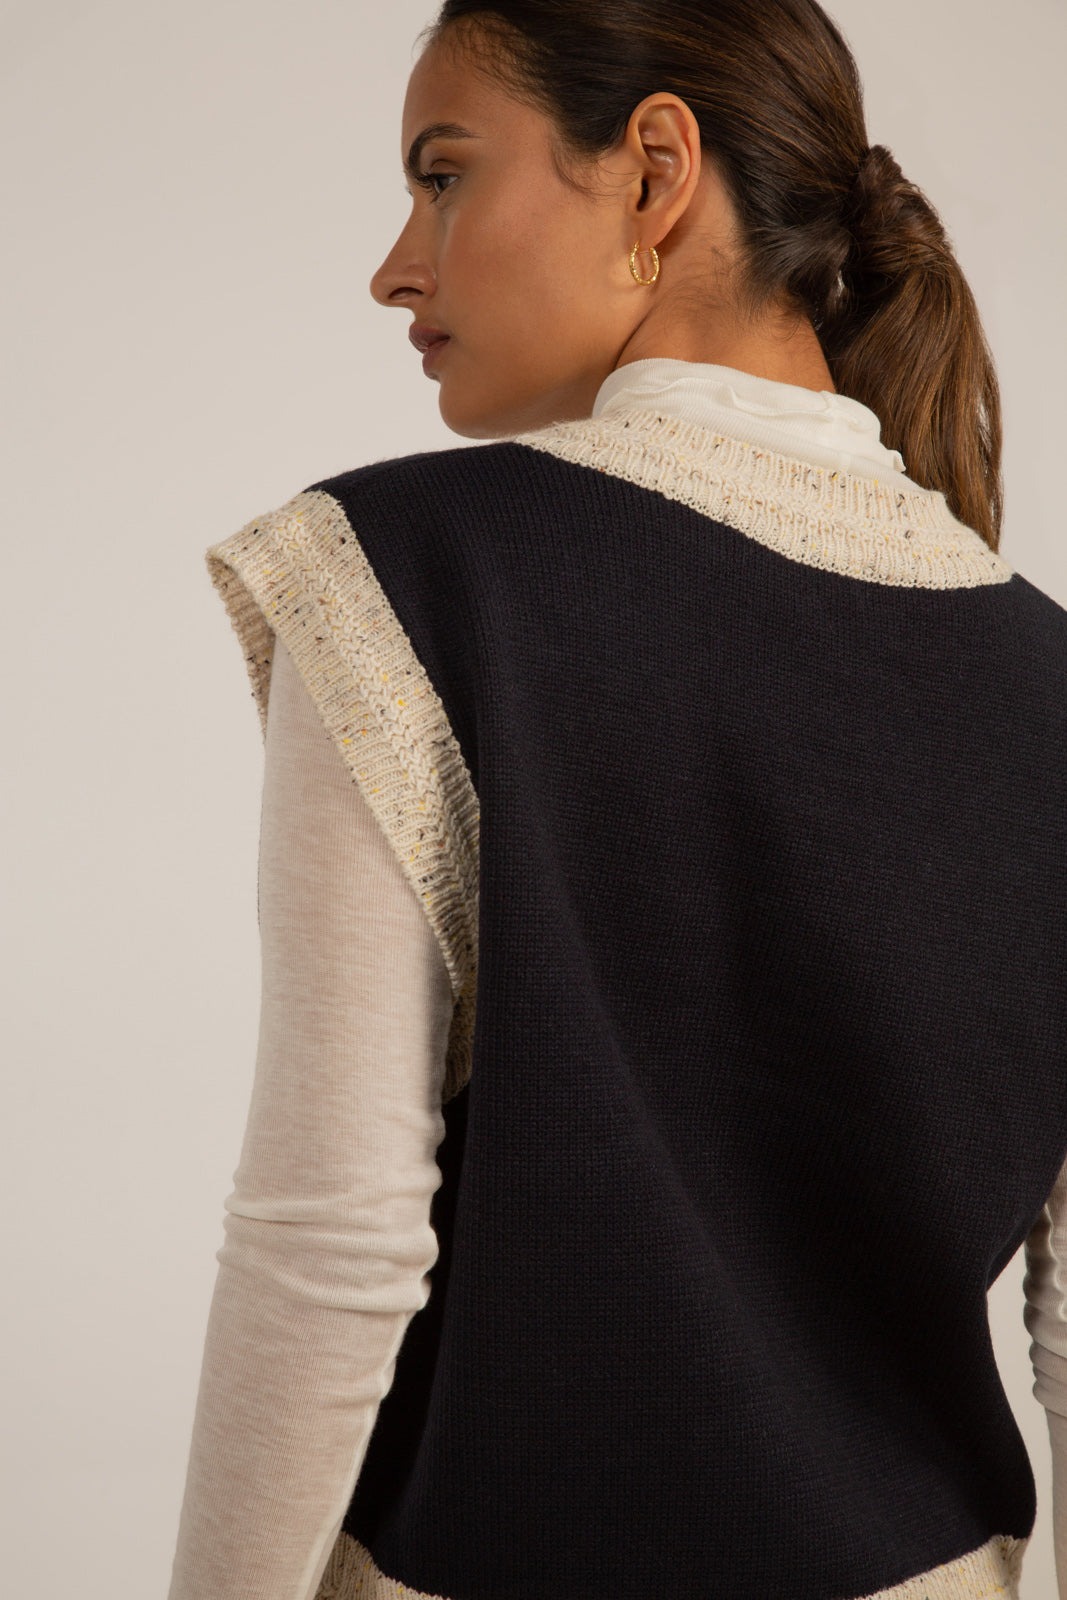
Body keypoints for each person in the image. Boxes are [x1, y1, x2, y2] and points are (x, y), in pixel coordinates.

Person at [166, 3, 1067, 1598]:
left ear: (656, 169)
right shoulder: (1047, 674)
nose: (396, 266)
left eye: (444, 175)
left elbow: (332, 1242)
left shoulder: (411, 577)